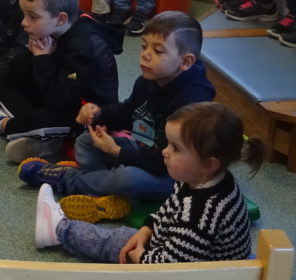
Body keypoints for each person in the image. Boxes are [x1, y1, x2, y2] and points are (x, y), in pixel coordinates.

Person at [15, 11, 215, 219]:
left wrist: (118, 152)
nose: (145, 54)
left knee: (128, 178)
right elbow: (128, 112)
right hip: (139, 151)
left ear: (186, 62)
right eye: (144, 46)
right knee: (85, 141)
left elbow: (167, 163)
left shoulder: (192, 102)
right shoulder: (149, 78)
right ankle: (108, 194)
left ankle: (67, 179)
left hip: (173, 175)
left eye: (158, 51)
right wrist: (99, 113)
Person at [34, 101, 262, 268]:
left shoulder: (202, 214)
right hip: (174, 256)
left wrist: (140, 256)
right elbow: (168, 210)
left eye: (176, 148)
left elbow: (168, 270)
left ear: (209, 164)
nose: (164, 151)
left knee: (111, 242)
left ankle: (57, 230)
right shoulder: (198, 180)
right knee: (127, 236)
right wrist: (147, 228)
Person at [0, 0, 121, 139]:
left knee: (43, 119)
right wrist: (38, 57)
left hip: (84, 115)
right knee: (5, 75)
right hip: (57, 91)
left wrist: (42, 59)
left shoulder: (83, 49)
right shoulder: (57, 28)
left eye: (32, 16)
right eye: (24, 14)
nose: (24, 22)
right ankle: (34, 133)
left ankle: (3, 124)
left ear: (61, 19)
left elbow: (60, 101)